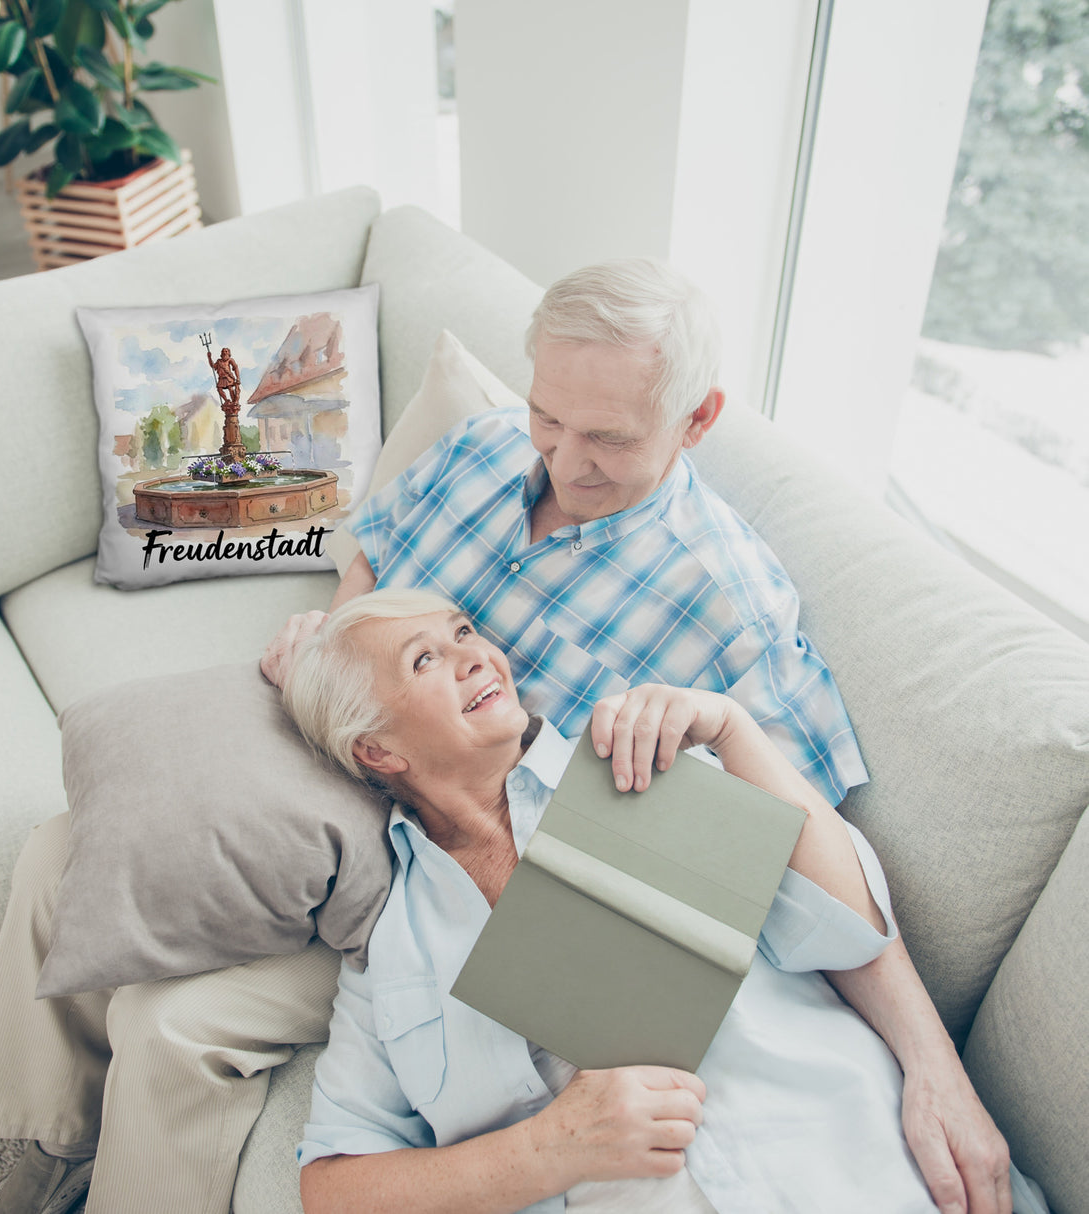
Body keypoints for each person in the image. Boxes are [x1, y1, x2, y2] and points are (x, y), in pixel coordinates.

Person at [263, 259, 1012, 1212]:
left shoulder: (705, 662)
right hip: (370, 838)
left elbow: (817, 883)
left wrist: (935, 1068)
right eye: (548, 417)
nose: (564, 461)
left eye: (608, 438)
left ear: (697, 420)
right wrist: (333, 659)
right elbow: (375, 555)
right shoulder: (481, 450)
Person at [282, 589, 1037, 1214]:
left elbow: (850, 929)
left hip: (856, 1165)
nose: (475, 655)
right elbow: (333, 1188)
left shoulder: (639, 764)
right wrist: (548, 1149)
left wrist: (733, 730)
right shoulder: (391, 949)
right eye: (424, 659)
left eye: (464, 632)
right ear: (377, 750)